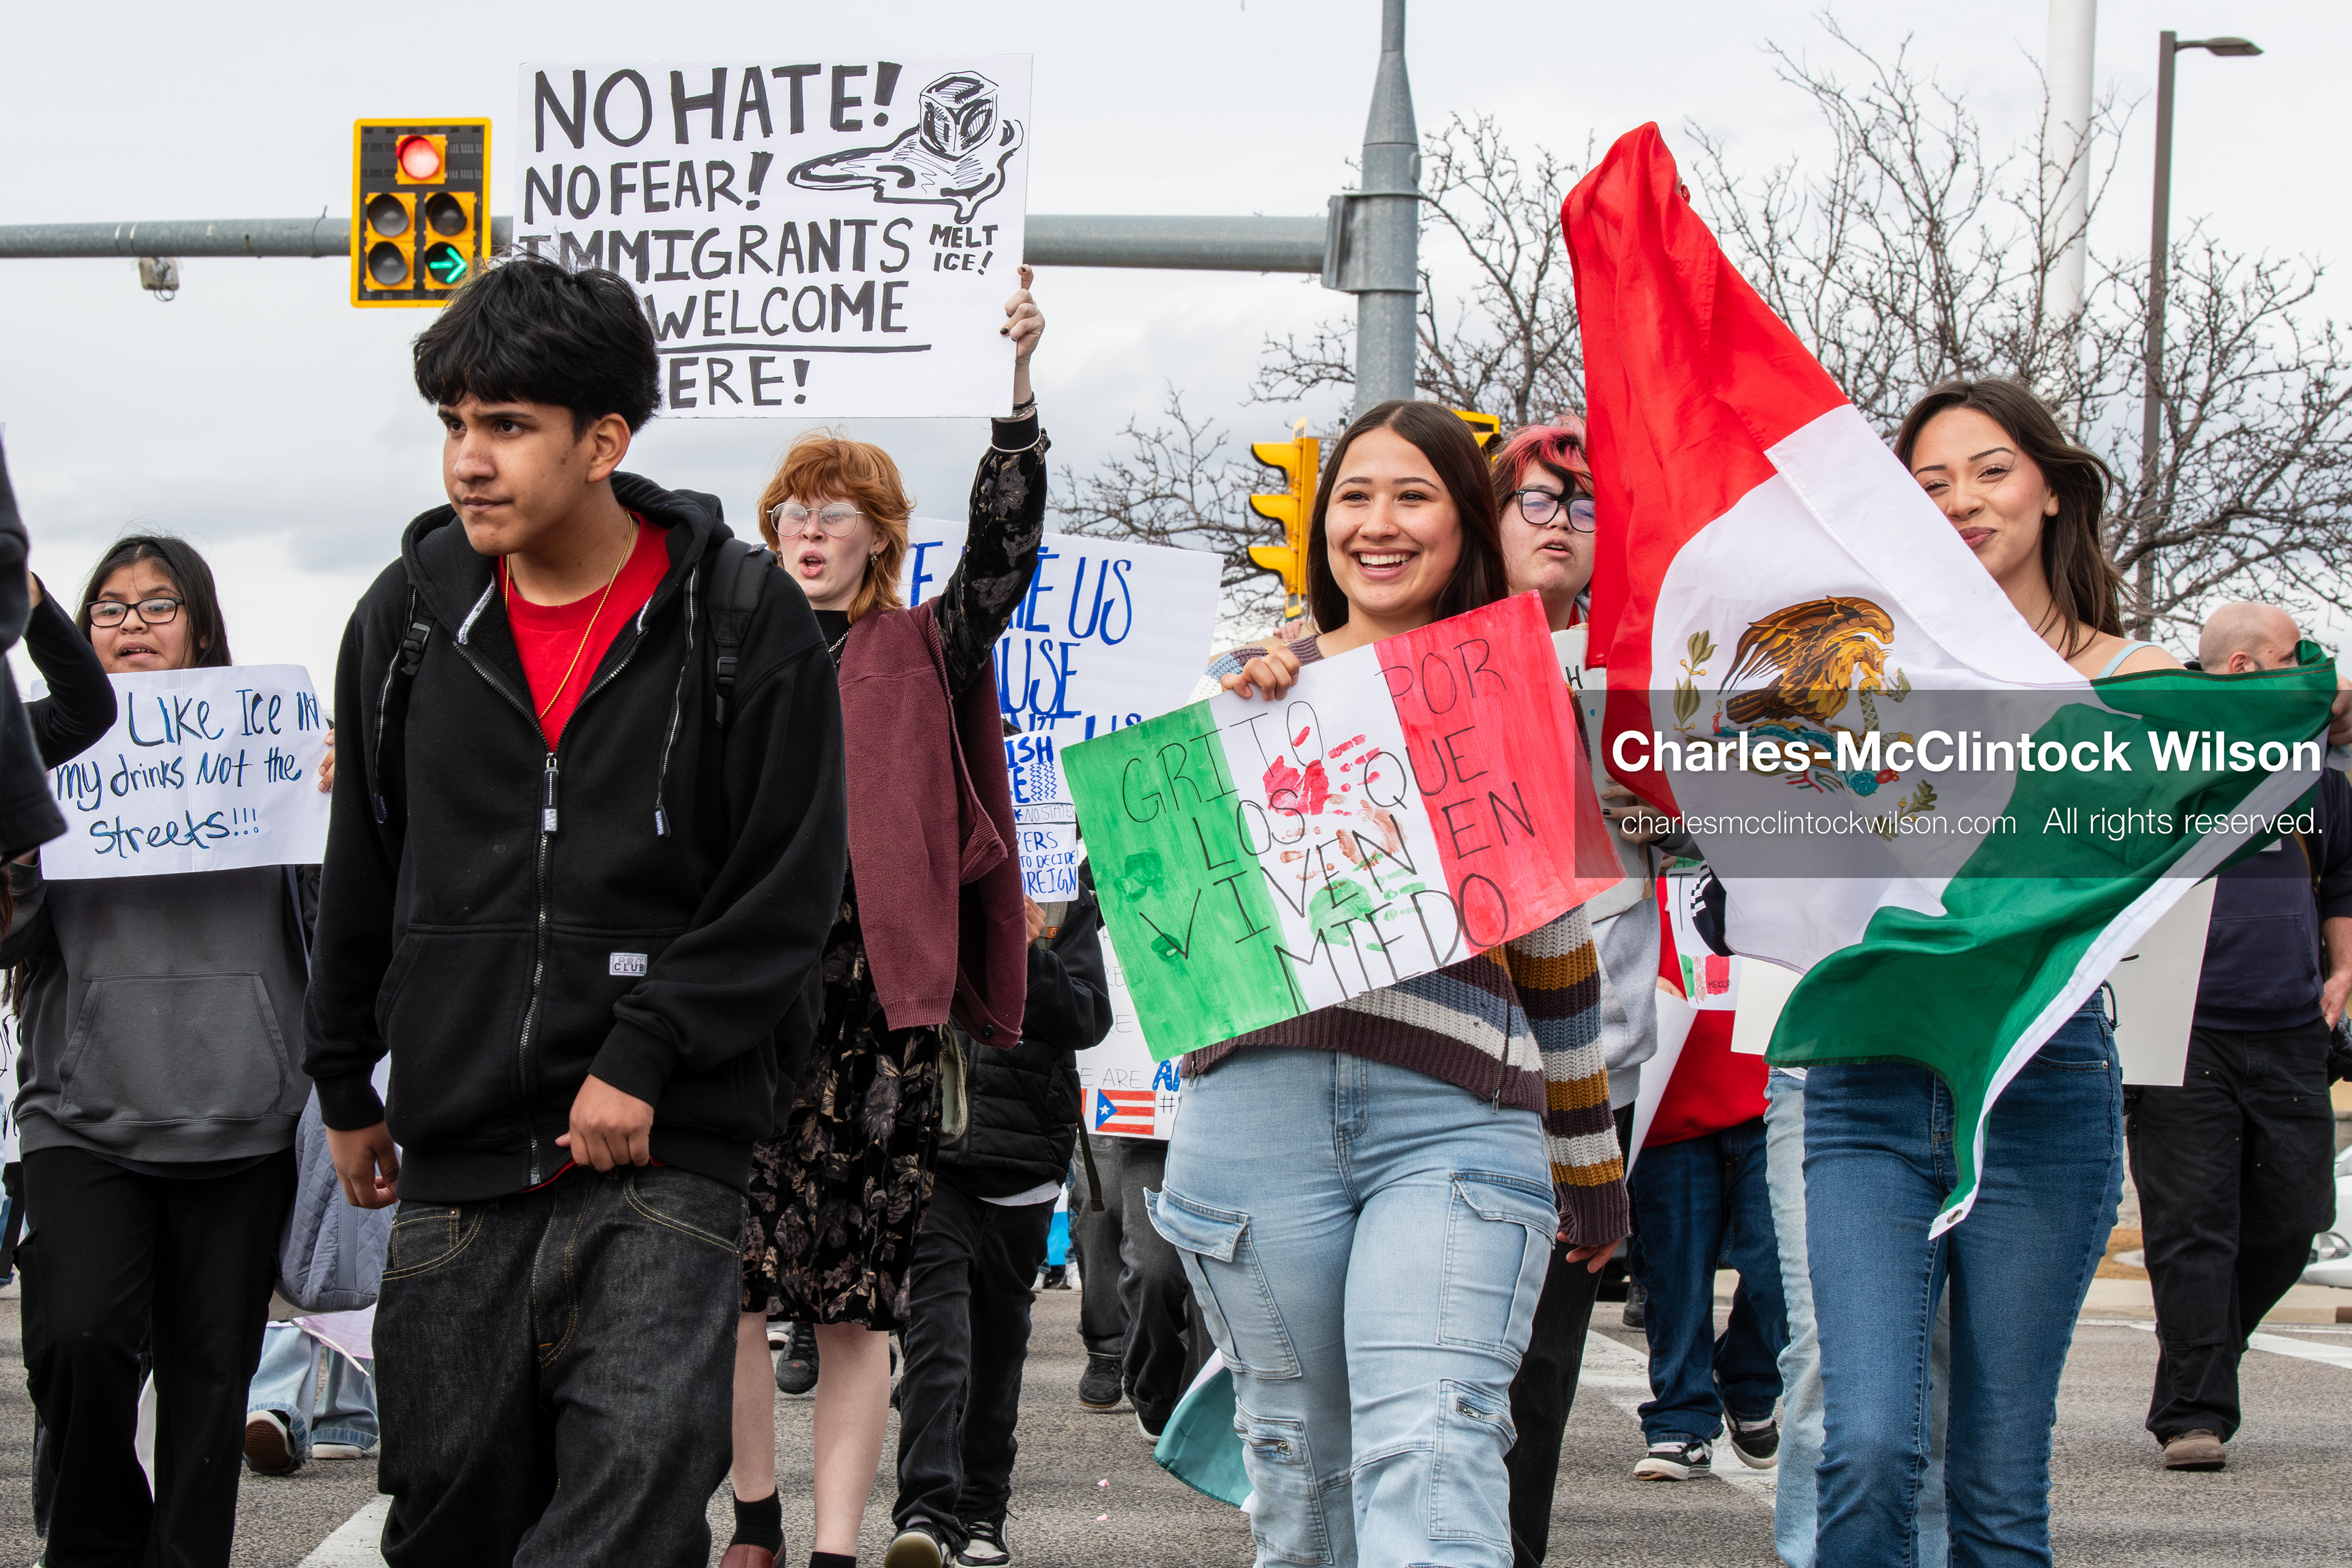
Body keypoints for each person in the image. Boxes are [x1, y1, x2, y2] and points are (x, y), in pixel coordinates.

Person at [304, 255, 851, 1568]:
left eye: (506, 426)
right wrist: (341, 1078)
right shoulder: (406, 623)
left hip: (662, 1155)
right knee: (447, 1514)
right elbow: (366, 860)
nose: (468, 460)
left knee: (632, 1498)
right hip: (456, 1152)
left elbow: (789, 880)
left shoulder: (738, 610)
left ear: (604, 439)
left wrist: (648, 1047)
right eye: (454, 423)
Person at [1152, 399, 1629, 1568]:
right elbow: (1168, 915)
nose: (1379, 522)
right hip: (1253, 1118)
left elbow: (1558, 950)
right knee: (1304, 1480)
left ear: (1465, 527)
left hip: (1456, 1121)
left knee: (1438, 1450)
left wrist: (1588, 1157)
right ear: (1322, 530)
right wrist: (1226, 727)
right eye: (1354, 497)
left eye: (1413, 496)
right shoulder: (1242, 689)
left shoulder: (1515, 684)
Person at [1799, 378, 2173, 1567]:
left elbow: (2227, 802)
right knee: (1862, 1444)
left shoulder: (2140, 681)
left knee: (2001, 1479)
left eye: (1992, 468)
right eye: (1931, 480)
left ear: (2053, 488)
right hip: (1869, 1083)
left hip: (2043, 1084)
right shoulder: (1858, 675)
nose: (1962, 498)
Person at [728, 268, 1046, 1568]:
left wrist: (1016, 392)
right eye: (793, 514)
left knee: (860, 1301)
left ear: (878, 534)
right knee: (733, 1286)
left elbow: (1005, 554)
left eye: (837, 513)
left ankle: (838, 1547)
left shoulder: (920, 644)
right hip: (743, 1005)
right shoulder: (727, 648)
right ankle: (753, 1518)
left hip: (881, 1015)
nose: (810, 532)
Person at [6, 535, 312, 1568]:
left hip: (244, 1116)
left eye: (159, 604)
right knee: (78, 1343)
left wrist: (340, 797)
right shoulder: (37, 752)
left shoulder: (274, 750)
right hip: (82, 1114)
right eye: (109, 607)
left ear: (203, 627)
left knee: (209, 1385)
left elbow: (349, 916)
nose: (132, 622)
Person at [2125, 600, 2351, 1472]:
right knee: (2193, 1226)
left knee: (2295, 1220)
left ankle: (2208, 1352)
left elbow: (2344, 882)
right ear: (2252, 668)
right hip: (2178, 1029)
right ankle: (2195, 1411)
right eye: (2300, 655)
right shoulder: (2158, 761)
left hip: (2293, 1029)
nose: (2315, 668)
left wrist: (2340, 972)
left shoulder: (2316, 779)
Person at [1488, 421, 1653, 1563]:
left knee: (1540, 1372)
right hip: (1446, 1062)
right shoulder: (1405, 662)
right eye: (1538, 503)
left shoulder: (1657, 679)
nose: (1561, 528)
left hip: (1593, 1068)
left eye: (1588, 509)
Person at [890, 873, 1114, 1566]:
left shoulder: (1058, 893)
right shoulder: (921, 871)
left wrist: (1022, 944)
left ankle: (982, 1510)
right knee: (938, 1340)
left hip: (1022, 1164)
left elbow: (1088, 1014)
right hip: (936, 1154)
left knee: (998, 1349)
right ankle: (924, 1515)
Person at [1624, 893, 1784, 1482]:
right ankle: (1679, 1421)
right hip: (1667, 1095)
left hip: (1773, 1091)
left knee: (1781, 1267)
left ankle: (1747, 1381)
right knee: (1674, 1272)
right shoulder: (1637, 853)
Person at [1068, 1121, 1208, 1436]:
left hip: (1211, 1112)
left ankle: (1199, 1388)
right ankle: (1109, 1348)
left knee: (1203, 1264)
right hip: (1128, 1110)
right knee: (1102, 1216)